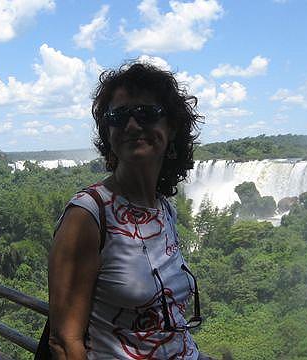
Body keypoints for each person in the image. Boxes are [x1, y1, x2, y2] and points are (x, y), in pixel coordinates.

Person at [47, 62, 208, 359]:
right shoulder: (87, 216)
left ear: (171, 127)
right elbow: (64, 342)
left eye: (146, 113)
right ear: (108, 133)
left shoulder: (164, 210)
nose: (132, 126)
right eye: (118, 117)